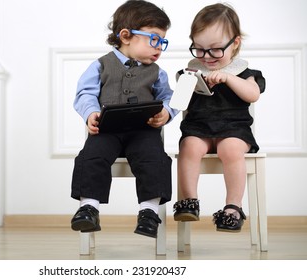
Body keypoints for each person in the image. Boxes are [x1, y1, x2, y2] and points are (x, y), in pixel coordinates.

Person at [70, 0, 178, 238]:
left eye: (163, 41)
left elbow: (170, 98)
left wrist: (166, 113)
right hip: (107, 130)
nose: (159, 47)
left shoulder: (157, 73)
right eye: (154, 39)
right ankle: (88, 207)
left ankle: (149, 212)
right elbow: (85, 93)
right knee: (91, 156)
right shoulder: (101, 65)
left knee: (155, 158)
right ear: (126, 36)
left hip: (143, 131)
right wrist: (90, 113)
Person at [173, 3, 265, 232]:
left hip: (234, 130)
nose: (207, 57)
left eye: (215, 49)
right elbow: (178, 103)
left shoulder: (245, 74)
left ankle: (233, 207)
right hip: (198, 129)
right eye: (199, 49)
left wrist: (228, 78)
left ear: (235, 43)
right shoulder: (192, 71)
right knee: (188, 147)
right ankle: (189, 202)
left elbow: (253, 94)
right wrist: (187, 84)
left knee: (230, 150)